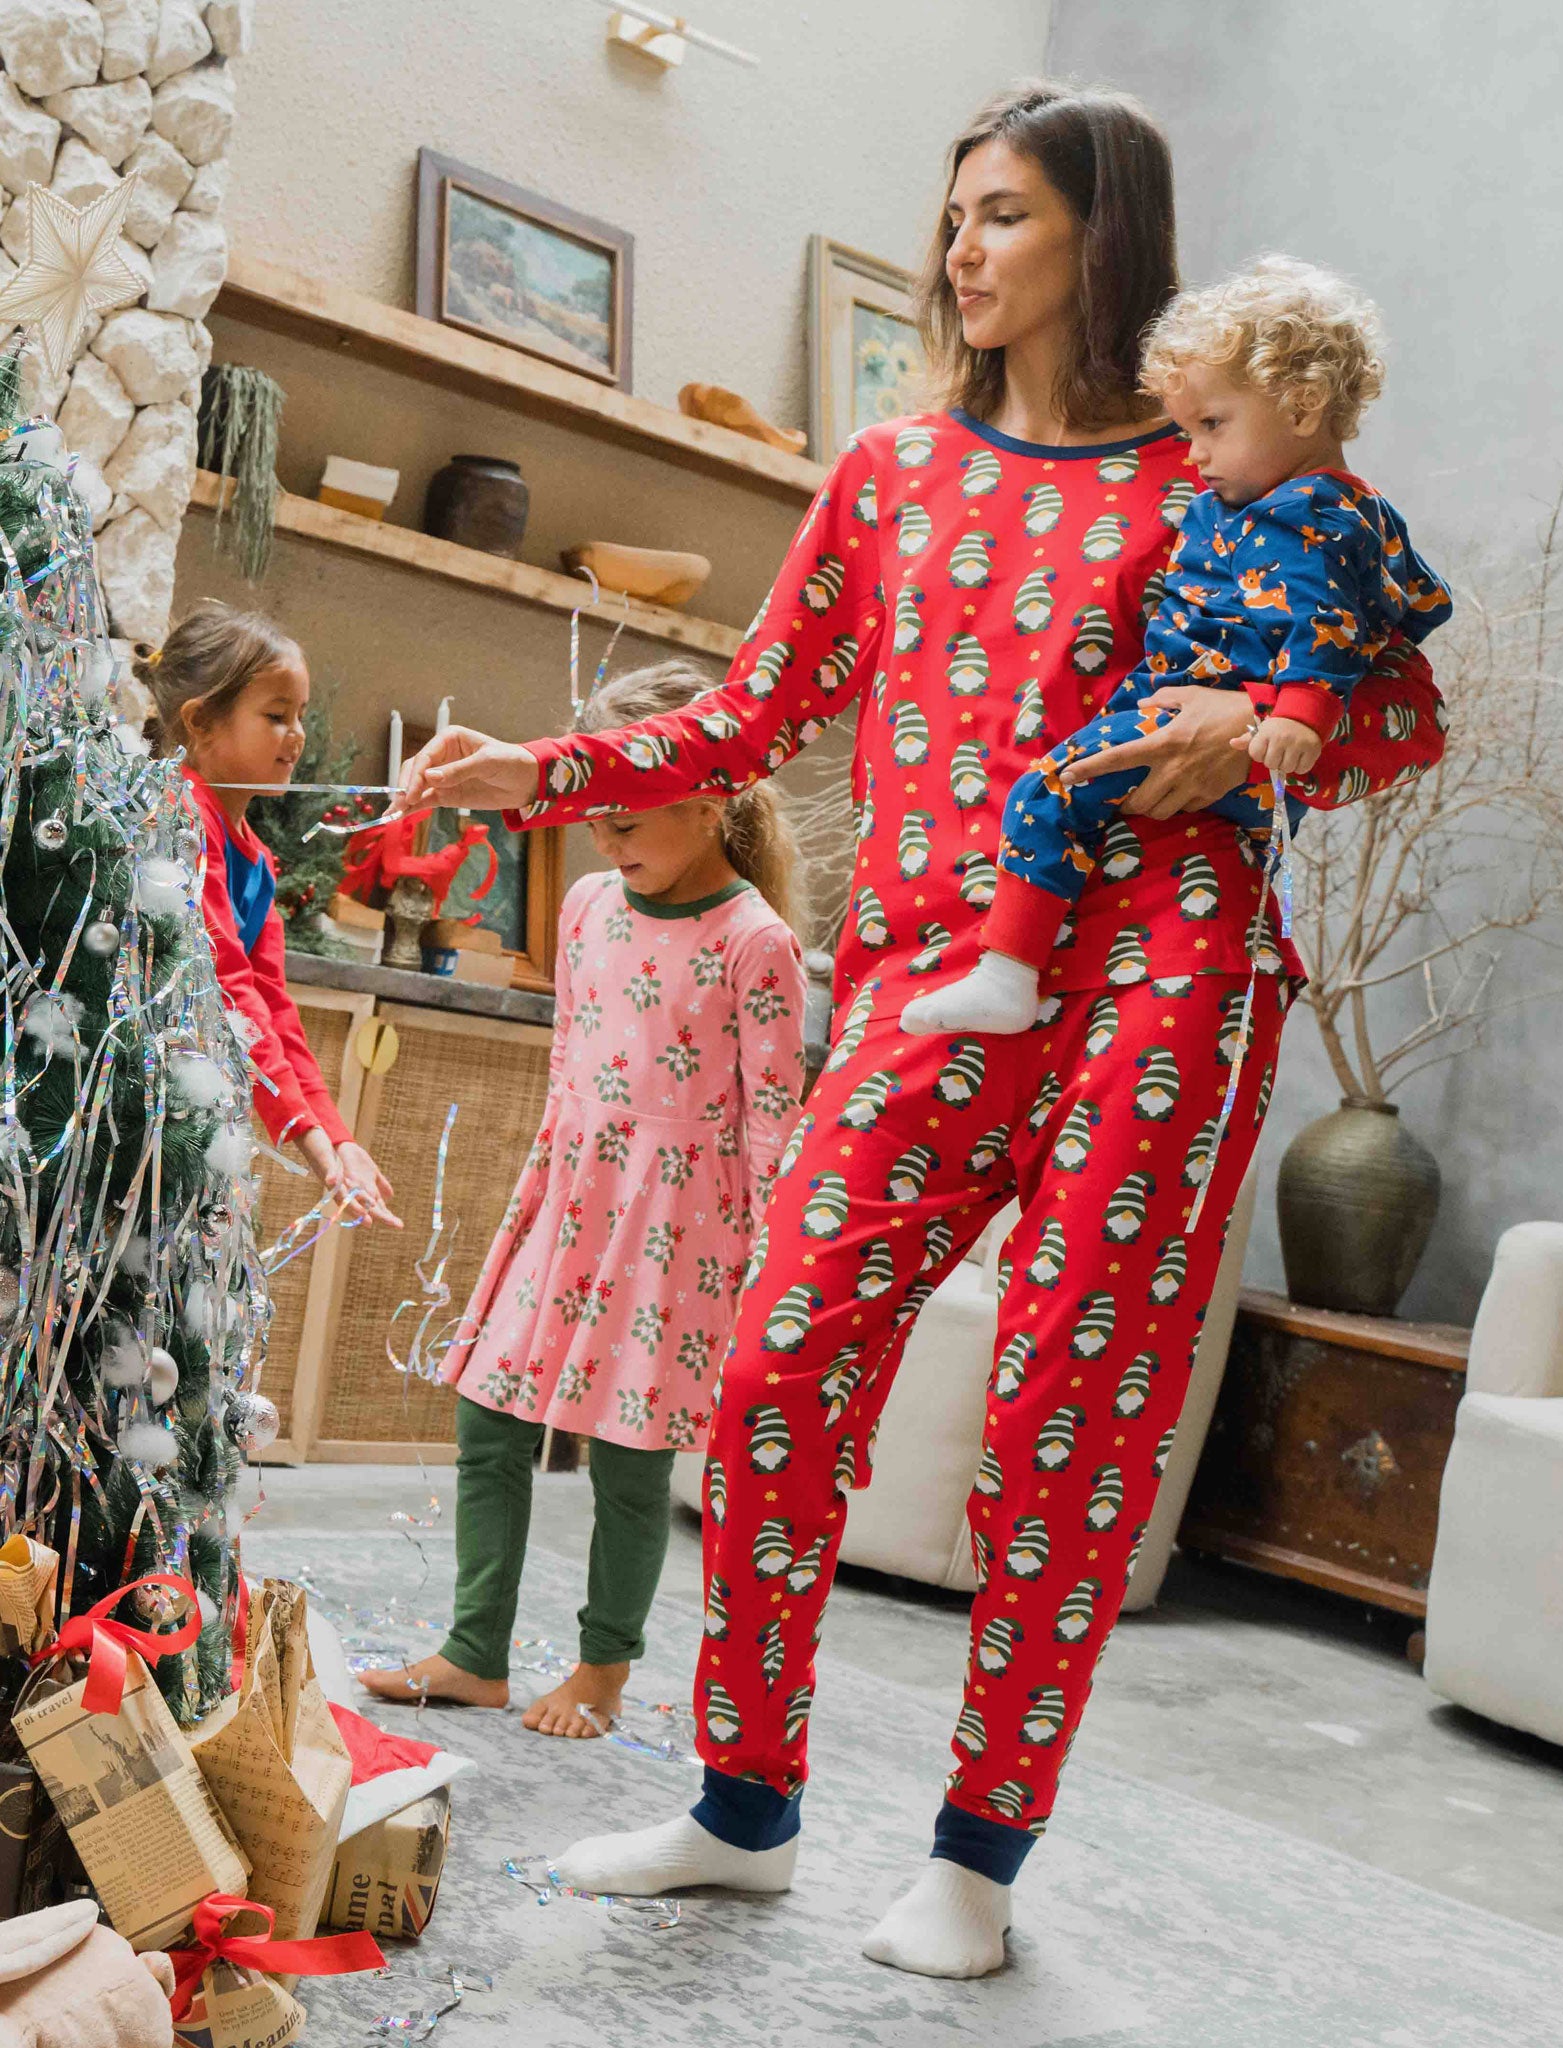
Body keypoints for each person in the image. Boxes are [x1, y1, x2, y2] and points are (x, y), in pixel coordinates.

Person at [395, 82, 1446, 1979]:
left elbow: (1391, 715)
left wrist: (1262, 733)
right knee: (776, 1371)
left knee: (1067, 1418)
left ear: (1103, 233)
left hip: (1167, 979)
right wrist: (538, 772)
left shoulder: (1224, 461)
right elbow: (750, 714)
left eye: (1005, 216)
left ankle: (974, 1857)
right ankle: (744, 1806)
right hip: (928, 978)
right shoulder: (888, 475)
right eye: (952, 214)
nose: (962, 249)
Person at [362, 661, 807, 1739]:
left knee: (629, 1449)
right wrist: (554, 1175)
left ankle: (602, 1673)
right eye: (592, 819)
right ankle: (477, 1651)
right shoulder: (585, 903)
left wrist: (761, 1274)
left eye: (625, 818)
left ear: (712, 788)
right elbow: (573, 1057)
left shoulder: (757, 940)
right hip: (571, 1193)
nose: (605, 841)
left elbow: (773, 1122)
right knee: (488, 1408)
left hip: (682, 1227)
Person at [902, 254, 1452, 1037]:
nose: (1193, 453)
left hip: (1226, 766)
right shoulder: (1259, 506)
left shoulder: (1308, 513)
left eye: (1211, 426)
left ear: (1301, 408)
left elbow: (1328, 624)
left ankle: (1006, 973)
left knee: (1047, 792)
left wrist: (1290, 713)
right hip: (1222, 783)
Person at [145, 603, 397, 1224]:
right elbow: (227, 991)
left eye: (300, 716)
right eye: (276, 716)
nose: (297, 734)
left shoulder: (254, 860)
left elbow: (272, 1009)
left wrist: (335, 1140)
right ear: (201, 722)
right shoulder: (181, 821)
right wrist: (313, 1143)